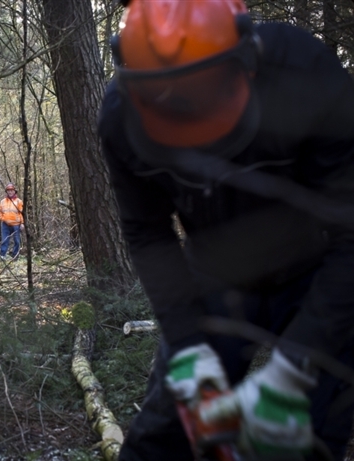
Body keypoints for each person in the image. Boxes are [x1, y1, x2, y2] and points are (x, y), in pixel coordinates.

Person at [98, 1, 354, 460]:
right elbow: (148, 234)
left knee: (307, 434)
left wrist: (296, 365)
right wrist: (188, 347)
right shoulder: (121, 118)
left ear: (247, 61)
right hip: (215, 272)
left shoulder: (303, 73)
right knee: (163, 433)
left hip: (317, 268)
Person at [0, 183, 24, 260]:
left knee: (17, 241)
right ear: (6, 191)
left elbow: (22, 213)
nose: (10, 192)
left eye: (11, 190)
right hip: (5, 224)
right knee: (5, 240)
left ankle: (15, 256)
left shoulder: (19, 201)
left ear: (14, 191)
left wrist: (22, 223)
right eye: (8, 190)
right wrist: (1, 218)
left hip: (16, 224)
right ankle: (2, 255)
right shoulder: (3, 201)